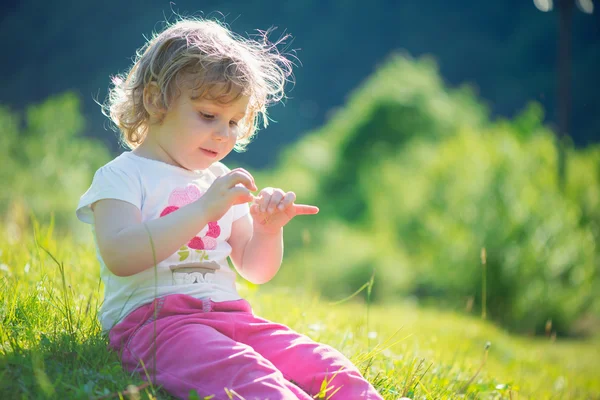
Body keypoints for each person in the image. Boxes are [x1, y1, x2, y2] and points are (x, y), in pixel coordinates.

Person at [76, 17, 384, 400]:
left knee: (324, 365)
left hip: (231, 316)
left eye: (234, 121)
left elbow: (255, 269)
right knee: (250, 377)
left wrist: (268, 231)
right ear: (156, 101)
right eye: (208, 115)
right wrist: (204, 208)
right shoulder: (122, 175)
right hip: (156, 326)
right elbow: (122, 255)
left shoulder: (218, 179)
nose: (224, 134)